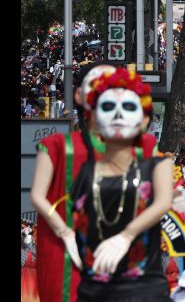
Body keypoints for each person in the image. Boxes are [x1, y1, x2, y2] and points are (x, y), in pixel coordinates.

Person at [69, 68, 174, 301]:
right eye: (108, 107)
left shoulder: (159, 167)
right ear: (94, 117)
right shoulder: (86, 172)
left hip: (144, 290)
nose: (118, 115)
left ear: (144, 118)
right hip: (94, 290)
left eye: (128, 107)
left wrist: (127, 235)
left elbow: (163, 203)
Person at [29, 62, 116, 302]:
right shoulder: (56, 146)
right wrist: (65, 232)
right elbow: (38, 195)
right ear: (80, 95)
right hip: (61, 250)